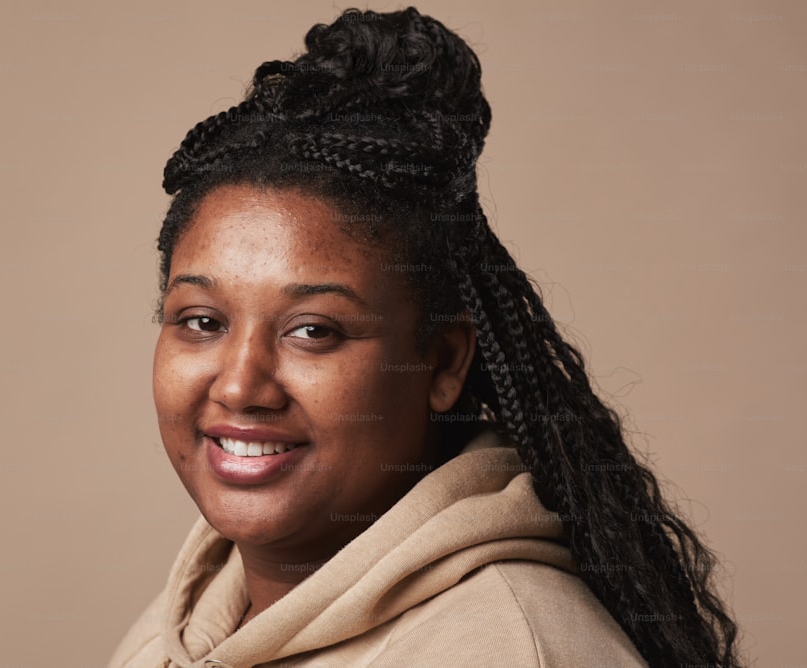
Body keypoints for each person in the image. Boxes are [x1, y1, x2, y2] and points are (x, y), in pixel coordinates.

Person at [108, 7, 742, 667]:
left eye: (313, 331)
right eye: (202, 321)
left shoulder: (505, 649)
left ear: (440, 363)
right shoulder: (171, 631)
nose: (240, 384)